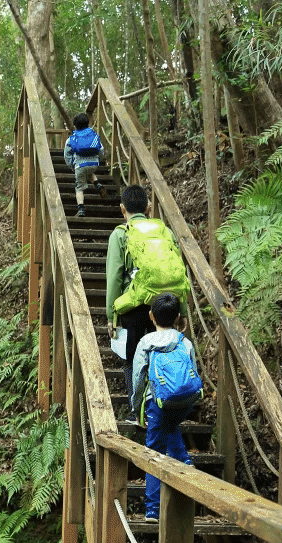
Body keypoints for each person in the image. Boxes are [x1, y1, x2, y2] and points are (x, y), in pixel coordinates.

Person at [105, 184, 190, 416]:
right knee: (162, 353)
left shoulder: (120, 234)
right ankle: (166, 403)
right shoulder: (165, 231)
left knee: (132, 358)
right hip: (164, 304)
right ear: (149, 207)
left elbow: (114, 277)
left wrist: (111, 315)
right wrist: (181, 308)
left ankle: (137, 410)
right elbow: (178, 270)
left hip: (134, 306)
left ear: (123, 209)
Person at [129, 293, 200, 521]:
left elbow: (138, 378)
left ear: (151, 316)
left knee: (154, 451)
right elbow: (193, 372)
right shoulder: (185, 341)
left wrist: (136, 405)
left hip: (158, 403)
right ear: (178, 317)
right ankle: (184, 459)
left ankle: (152, 508)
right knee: (171, 425)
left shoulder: (147, 343)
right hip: (185, 402)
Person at [63, 113, 108, 217]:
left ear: (75, 125)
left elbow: (66, 155)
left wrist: (73, 166)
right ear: (88, 123)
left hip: (80, 165)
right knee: (88, 171)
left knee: (79, 188)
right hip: (93, 164)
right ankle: (98, 185)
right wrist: (98, 160)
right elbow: (101, 149)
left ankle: (81, 210)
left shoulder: (72, 139)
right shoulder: (94, 135)